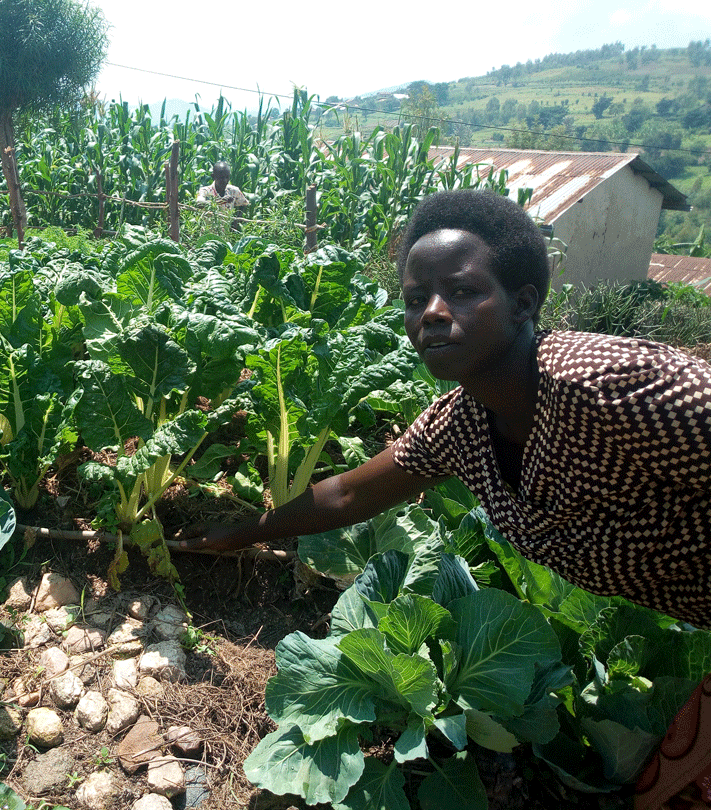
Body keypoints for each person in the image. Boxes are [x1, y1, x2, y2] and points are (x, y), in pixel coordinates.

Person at [182, 188, 711, 807]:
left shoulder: (601, 385)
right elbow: (347, 496)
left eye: (461, 291)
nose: (430, 313)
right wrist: (239, 533)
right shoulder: (462, 424)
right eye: (414, 300)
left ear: (523, 301)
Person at [196, 161, 249, 228]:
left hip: (227, 233)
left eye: (227, 177)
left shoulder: (233, 191)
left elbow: (244, 203)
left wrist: (237, 220)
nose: (225, 180)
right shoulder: (205, 191)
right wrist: (220, 201)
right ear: (213, 176)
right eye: (221, 177)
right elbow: (199, 204)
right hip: (209, 233)